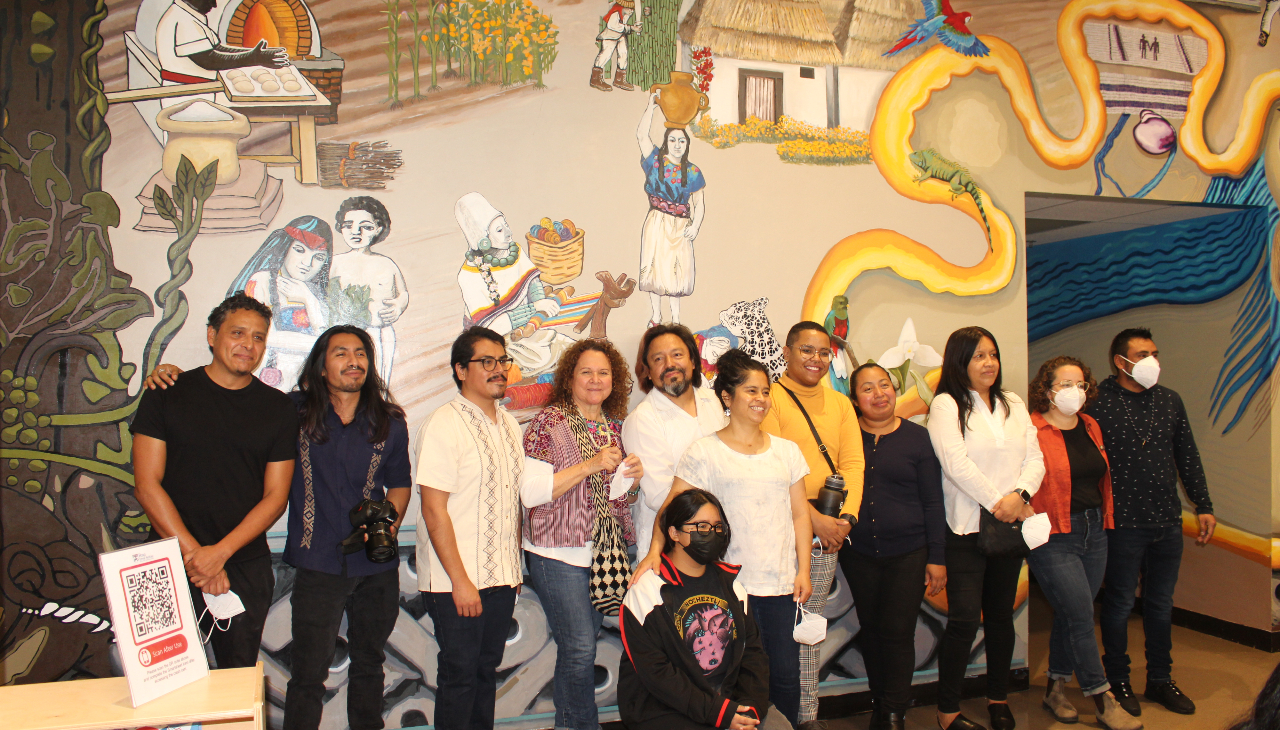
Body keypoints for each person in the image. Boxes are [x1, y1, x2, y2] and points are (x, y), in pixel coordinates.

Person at [140, 325, 414, 730]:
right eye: (340, 353)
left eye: (360, 353)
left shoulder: (389, 420)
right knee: (308, 676)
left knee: (370, 666)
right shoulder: (292, 411)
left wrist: (388, 523)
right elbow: (233, 393)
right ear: (321, 367)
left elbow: (401, 482)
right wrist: (169, 375)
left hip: (375, 569)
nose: (353, 361)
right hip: (317, 564)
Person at [639, 349, 813, 727]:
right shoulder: (704, 451)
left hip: (781, 584)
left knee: (784, 675)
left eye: (765, 392)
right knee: (736, 679)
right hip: (730, 587)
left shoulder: (787, 452)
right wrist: (654, 553)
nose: (761, 400)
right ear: (727, 397)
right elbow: (672, 509)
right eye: (751, 391)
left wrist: (805, 570)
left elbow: (800, 514)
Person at [130, 292, 298, 669]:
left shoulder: (278, 408)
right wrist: (196, 557)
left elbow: (276, 496)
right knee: (158, 685)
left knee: (235, 687)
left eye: (258, 337)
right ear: (211, 335)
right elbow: (147, 484)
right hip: (165, 560)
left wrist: (218, 554)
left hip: (241, 565)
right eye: (238, 333)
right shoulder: (167, 393)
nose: (248, 345)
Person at [1087, 327, 1215, 717]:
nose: (1151, 361)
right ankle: (1118, 682)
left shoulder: (1169, 401)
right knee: (1120, 603)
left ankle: (1160, 679)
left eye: (1154, 353)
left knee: (1160, 605)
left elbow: (1186, 455)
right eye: (1142, 354)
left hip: (1166, 521)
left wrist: (1204, 504)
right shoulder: (1097, 403)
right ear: (1119, 361)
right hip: (1121, 522)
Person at [521, 339, 645, 730]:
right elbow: (531, 492)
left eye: (603, 372)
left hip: (603, 554)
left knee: (580, 650)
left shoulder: (617, 427)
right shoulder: (547, 423)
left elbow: (614, 499)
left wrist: (632, 480)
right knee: (578, 649)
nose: (595, 380)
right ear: (569, 378)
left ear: (615, 379)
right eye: (586, 372)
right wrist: (591, 464)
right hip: (556, 553)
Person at [926, 326, 1044, 730]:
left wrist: (1022, 495)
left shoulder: (1012, 402)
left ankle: (998, 698)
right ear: (960, 361)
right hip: (965, 530)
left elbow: (1035, 457)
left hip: (1008, 529)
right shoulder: (945, 405)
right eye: (978, 356)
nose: (989, 362)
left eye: (992, 354)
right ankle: (947, 710)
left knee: (1000, 617)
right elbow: (956, 465)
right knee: (962, 621)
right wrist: (1001, 503)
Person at [415, 326, 526, 729]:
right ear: (461, 370)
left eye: (502, 361)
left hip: (501, 578)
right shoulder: (443, 424)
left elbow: (513, 502)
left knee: (485, 672)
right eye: (487, 362)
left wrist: (513, 570)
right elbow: (433, 510)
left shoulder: (511, 426)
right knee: (460, 675)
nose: (498, 370)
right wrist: (461, 581)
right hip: (455, 582)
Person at [760, 321, 865, 730]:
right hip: (781, 530)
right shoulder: (770, 400)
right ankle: (772, 716)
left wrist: (845, 520)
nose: (816, 359)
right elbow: (775, 466)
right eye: (806, 350)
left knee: (809, 627)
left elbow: (854, 463)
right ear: (787, 352)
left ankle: (807, 718)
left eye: (823, 353)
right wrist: (813, 517)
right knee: (772, 630)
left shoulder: (840, 404)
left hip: (829, 536)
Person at [1026, 356, 1139, 730]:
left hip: (1094, 530)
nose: (1075, 391)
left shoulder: (1090, 426)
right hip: (1054, 534)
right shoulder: (1031, 429)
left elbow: (1099, 479)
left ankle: (1055, 689)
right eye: (1065, 384)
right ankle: (1102, 697)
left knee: (1071, 612)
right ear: (1046, 389)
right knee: (1079, 615)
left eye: (1081, 384)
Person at [619, 488, 790, 730]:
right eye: (701, 527)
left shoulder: (733, 587)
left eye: (717, 527)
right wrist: (718, 714)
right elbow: (657, 675)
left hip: (726, 700)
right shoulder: (645, 593)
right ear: (674, 533)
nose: (711, 534)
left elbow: (753, 656)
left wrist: (748, 708)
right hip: (667, 708)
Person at [841, 363, 947, 730]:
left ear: (895, 390)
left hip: (909, 552)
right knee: (870, 629)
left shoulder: (918, 438)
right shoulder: (846, 437)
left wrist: (937, 557)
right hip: (859, 553)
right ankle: (879, 699)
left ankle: (894, 712)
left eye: (884, 385)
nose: (878, 394)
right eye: (867, 389)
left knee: (898, 631)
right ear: (855, 400)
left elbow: (934, 503)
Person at [623, 324, 727, 554]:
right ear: (648, 371)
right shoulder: (642, 420)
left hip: (722, 538)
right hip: (671, 547)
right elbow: (660, 497)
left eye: (677, 355)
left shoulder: (712, 400)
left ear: (692, 361)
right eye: (658, 359)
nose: (670, 364)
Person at [454, 192, 565, 375]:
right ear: (483, 238)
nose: (508, 233)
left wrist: (542, 311)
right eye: (499, 230)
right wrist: (536, 307)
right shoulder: (468, 276)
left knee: (571, 349)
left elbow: (532, 282)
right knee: (542, 358)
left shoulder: (515, 251)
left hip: (530, 328)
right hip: (498, 342)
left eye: (505, 225)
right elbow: (494, 327)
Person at [229, 215, 334, 392]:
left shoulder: (316, 294)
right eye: (299, 250)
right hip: (267, 378)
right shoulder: (262, 281)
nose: (307, 264)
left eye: (318, 257)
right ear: (285, 248)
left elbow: (327, 341)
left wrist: (308, 299)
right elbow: (261, 339)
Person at [636, 93, 706, 327]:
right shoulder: (655, 160)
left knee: (677, 269)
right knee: (655, 265)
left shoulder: (693, 171)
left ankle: (676, 318)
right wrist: (651, 107)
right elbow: (641, 135)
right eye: (673, 140)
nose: (677, 145)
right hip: (657, 220)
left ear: (687, 145)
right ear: (667, 142)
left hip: (681, 224)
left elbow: (699, 202)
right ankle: (656, 315)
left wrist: (695, 225)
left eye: (682, 141)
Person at [329, 197, 408, 382]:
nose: (356, 232)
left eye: (366, 226)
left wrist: (397, 306)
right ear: (341, 227)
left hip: (380, 334)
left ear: (378, 229)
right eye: (348, 225)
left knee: (379, 381)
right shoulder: (335, 263)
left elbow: (403, 293)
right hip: (344, 336)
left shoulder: (386, 263)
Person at [153, 0, 286, 109]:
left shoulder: (187, 16)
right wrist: (253, 58)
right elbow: (209, 60)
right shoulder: (184, 20)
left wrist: (255, 54)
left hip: (197, 93)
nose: (213, 5)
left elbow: (218, 49)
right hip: (187, 96)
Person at [589, 0, 642, 91]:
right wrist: (631, 28)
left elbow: (623, 24)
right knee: (606, 55)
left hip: (620, 35)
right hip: (610, 35)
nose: (631, 11)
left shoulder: (624, 12)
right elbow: (613, 26)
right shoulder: (615, 11)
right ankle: (596, 79)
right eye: (629, 8)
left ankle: (620, 79)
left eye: (632, 9)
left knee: (623, 54)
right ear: (623, 6)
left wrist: (634, 26)